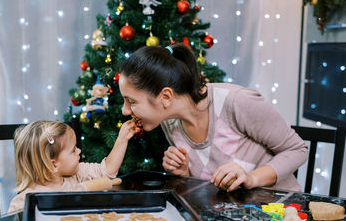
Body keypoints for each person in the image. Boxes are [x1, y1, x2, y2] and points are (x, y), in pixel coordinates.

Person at [118, 43, 308, 192]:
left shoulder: (236, 102)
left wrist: (251, 178)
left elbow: (297, 150)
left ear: (166, 97)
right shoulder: (168, 120)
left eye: (131, 101)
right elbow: (207, 184)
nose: (125, 111)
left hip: (277, 213)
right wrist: (184, 173)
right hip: (226, 217)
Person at [8, 119, 139, 213]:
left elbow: (107, 170)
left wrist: (123, 138)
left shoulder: (77, 173)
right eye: (73, 150)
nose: (79, 151)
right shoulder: (23, 202)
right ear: (53, 165)